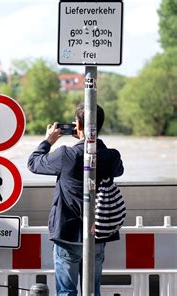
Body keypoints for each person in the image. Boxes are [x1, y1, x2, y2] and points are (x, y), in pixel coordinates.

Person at [27, 104, 124, 296]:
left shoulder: (66, 155)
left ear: (77, 125)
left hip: (68, 234)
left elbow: (33, 163)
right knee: (92, 290)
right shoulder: (112, 155)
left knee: (66, 292)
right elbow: (119, 170)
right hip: (98, 234)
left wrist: (48, 140)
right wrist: (88, 140)